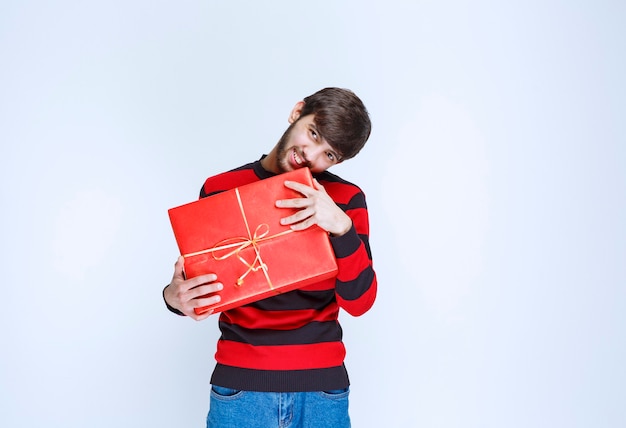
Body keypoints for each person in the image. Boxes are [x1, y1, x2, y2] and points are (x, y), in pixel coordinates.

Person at [162, 87, 377, 428]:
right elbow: (200, 285)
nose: (312, 156)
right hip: (240, 387)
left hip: (322, 391)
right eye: (314, 134)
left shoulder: (345, 200)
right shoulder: (221, 188)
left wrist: (340, 226)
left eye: (330, 155)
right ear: (297, 112)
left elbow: (360, 301)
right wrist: (173, 298)